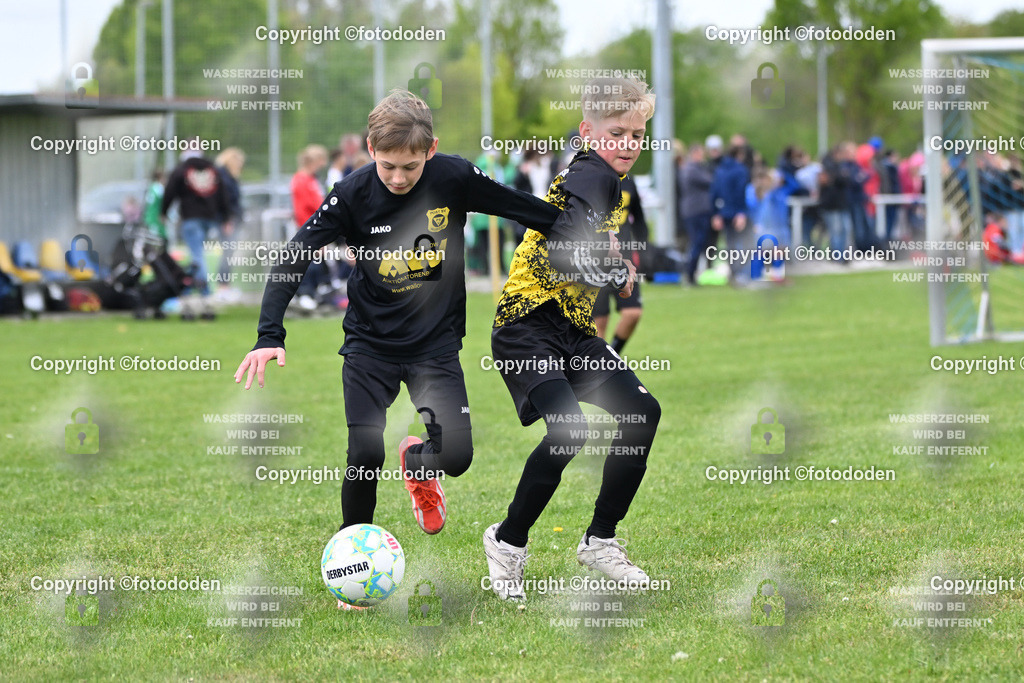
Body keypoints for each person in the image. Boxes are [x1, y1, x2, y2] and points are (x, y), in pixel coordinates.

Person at [233, 91, 560, 608]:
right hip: (369, 346)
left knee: (457, 456)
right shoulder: (351, 194)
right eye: (387, 165)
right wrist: (270, 334)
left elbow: (529, 210)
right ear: (369, 149)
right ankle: (351, 565)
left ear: (430, 149)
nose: (399, 178)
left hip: (434, 348)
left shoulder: (453, 177)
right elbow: (296, 253)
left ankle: (420, 465)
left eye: (410, 166)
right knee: (364, 453)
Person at [484, 76, 661, 602]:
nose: (628, 144)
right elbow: (572, 234)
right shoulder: (593, 173)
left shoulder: (612, 185)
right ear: (588, 132)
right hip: (524, 327)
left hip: (572, 330)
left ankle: (600, 541)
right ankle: (506, 543)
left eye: (637, 134)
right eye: (617, 133)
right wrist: (609, 262)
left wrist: (616, 264)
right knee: (569, 432)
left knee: (641, 413)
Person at [160, 140, 229, 320]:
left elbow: (170, 190)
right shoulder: (212, 168)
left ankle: (204, 296)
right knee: (198, 255)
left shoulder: (182, 168)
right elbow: (223, 193)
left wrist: (164, 211)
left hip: (191, 218)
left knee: (197, 257)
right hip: (209, 219)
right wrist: (226, 216)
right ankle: (194, 292)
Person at [593, 173, 648, 352]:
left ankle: (611, 357)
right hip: (594, 260)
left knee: (633, 313)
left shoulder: (629, 181)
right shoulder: (588, 176)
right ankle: (599, 370)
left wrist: (644, 250)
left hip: (624, 261)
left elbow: (638, 218)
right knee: (599, 322)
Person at [290, 144, 330, 310]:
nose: (322, 165)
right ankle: (304, 294)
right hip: (309, 228)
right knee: (308, 262)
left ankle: (315, 293)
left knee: (317, 262)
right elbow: (306, 208)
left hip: (316, 227)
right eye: (321, 161)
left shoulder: (311, 179)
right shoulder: (302, 180)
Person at [711, 145, 751, 284]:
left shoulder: (720, 170)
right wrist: (741, 212)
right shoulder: (740, 170)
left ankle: (733, 273)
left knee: (730, 244)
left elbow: (714, 192)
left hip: (723, 212)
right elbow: (741, 192)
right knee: (741, 243)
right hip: (736, 212)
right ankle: (740, 273)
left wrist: (716, 214)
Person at [679, 143, 714, 285]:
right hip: (696, 211)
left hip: (696, 210)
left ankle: (691, 273)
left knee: (698, 243)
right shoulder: (692, 170)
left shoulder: (693, 169)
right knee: (696, 243)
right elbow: (710, 181)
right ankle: (689, 273)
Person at [214, 147, 245, 301]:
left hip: (232, 219)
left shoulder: (227, 176)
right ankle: (223, 287)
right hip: (228, 220)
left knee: (230, 253)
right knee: (228, 252)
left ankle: (225, 285)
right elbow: (225, 201)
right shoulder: (224, 177)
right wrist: (228, 220)